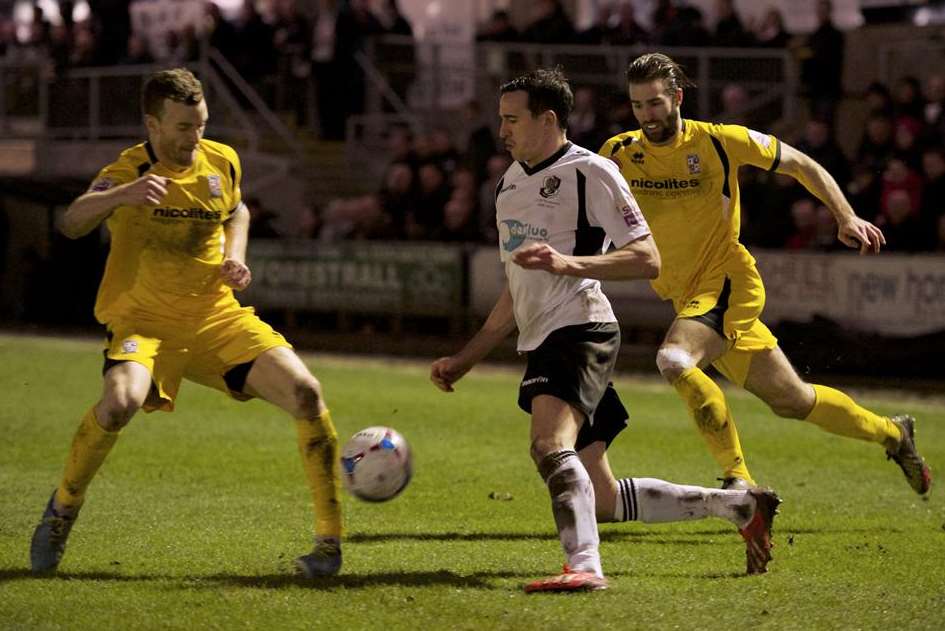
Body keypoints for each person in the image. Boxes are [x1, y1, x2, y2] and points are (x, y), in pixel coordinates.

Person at [430, 68, 781, 593]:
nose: (501, 130)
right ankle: (737, 505)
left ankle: (585, 566)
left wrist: (568, 265)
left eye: (511, 119)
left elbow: (647, 258)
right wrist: (467, 357)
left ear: (547, 119)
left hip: (580, 329)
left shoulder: (590, 172)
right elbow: (516, 288)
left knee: (549, 445)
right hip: (546, 335)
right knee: (604, 496)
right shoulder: (508, 185)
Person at [29, 68, 343, 578]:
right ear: (152, 124)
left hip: (215, 315)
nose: (193, 137)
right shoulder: (128, 169)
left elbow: (236, 210)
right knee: (119, 403)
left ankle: (328, 547)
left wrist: (235, 256)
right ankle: (62, 508)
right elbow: (71, 221)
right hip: (142, 320)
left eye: (199, 125)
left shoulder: (222, 161)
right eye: (181, 127)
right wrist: (118, 198)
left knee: (307, 393)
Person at [600, 53, 931, 496]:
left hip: (727, 281)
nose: (647, 115)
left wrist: (845, 216)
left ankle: (739, 482)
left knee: (674, 359)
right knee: (794, 400)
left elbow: (801, 164)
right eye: (638, 105)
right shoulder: (620, 152)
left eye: (655, 103)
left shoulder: (719, 141)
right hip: (688, 299)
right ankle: (893, 433)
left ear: (677, 97)